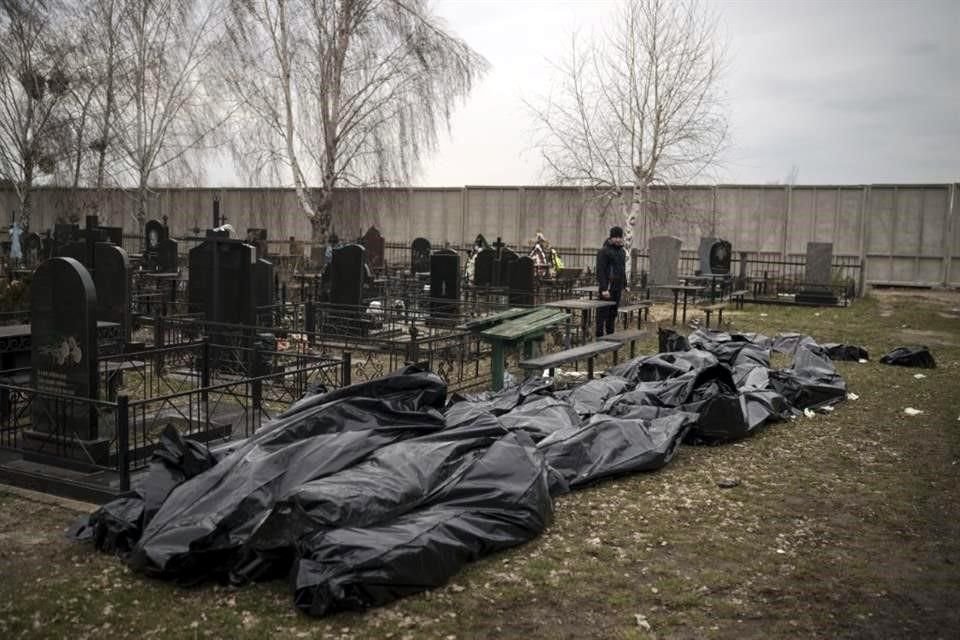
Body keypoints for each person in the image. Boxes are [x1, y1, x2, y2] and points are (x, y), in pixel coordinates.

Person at [596, 225, 627, 337]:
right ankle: (599, 336)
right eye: (615, 237)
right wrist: (604, 288)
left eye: (620, 237)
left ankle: (610, 336)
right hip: (607, 288)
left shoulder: (622, 252)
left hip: (617, 288)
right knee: (602, 313)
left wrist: (625, 284)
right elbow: (601, 271)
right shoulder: (604, 252)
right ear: (611, 238)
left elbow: (622, 269)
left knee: (613, 314)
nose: (618, 239)